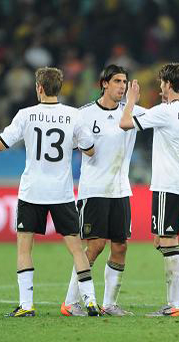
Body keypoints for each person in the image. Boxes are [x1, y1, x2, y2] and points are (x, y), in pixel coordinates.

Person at [0, 67, 99, 317]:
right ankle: (90, 301)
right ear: (60, 87)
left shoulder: (26, 114)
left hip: (32, 192)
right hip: (62, 193)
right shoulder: (73, 115)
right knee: (77, 249)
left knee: (25, 248)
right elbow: (90, 149)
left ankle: (26, 306)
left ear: (39, 87)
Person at [120, 63, 179, 317]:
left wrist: (130, 100)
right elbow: (161, 118)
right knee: (162, 240)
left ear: (169, 85)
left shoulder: (165, 112)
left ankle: (174, 305)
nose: (160, 88)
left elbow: (126, 123)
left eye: (161, 83)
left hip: (167, 184)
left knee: (168, 241)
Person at [61, 65, 145, 317]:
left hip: (120, 190)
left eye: (125, 81)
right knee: (95, 246)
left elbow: (160, 118)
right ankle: (70, 302)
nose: (122, 86)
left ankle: (109, 303)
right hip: (94, 190)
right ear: (104, 83)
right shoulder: (83, 114)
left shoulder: (131, 112)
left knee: (120, 246)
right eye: (117, 81)